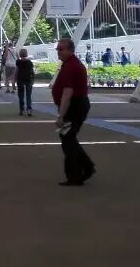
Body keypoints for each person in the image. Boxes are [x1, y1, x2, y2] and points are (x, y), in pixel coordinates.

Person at [52, 38, 95, 187]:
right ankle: (86, 167)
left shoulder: (71, 67)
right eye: (57, 49)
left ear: (70, 50)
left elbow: (67, 93)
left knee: (67, 139)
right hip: (76, 106)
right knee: (68, 138)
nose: (58, 51)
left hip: (74, 107)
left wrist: (61, 115)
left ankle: (76, 175)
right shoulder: (70, 64)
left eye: (61, 49)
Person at [16, 48, 35, 116]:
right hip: (28, 79)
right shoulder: (29, 62)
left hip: (20, 79)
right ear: (26, 54)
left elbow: (17, 71)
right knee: (28, 95)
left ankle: (21, 110)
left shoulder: (18, 62)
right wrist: (33, 79)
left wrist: (15, 79)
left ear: (20, 54)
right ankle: (29, 110)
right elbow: (32, 71)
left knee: (21, 95)